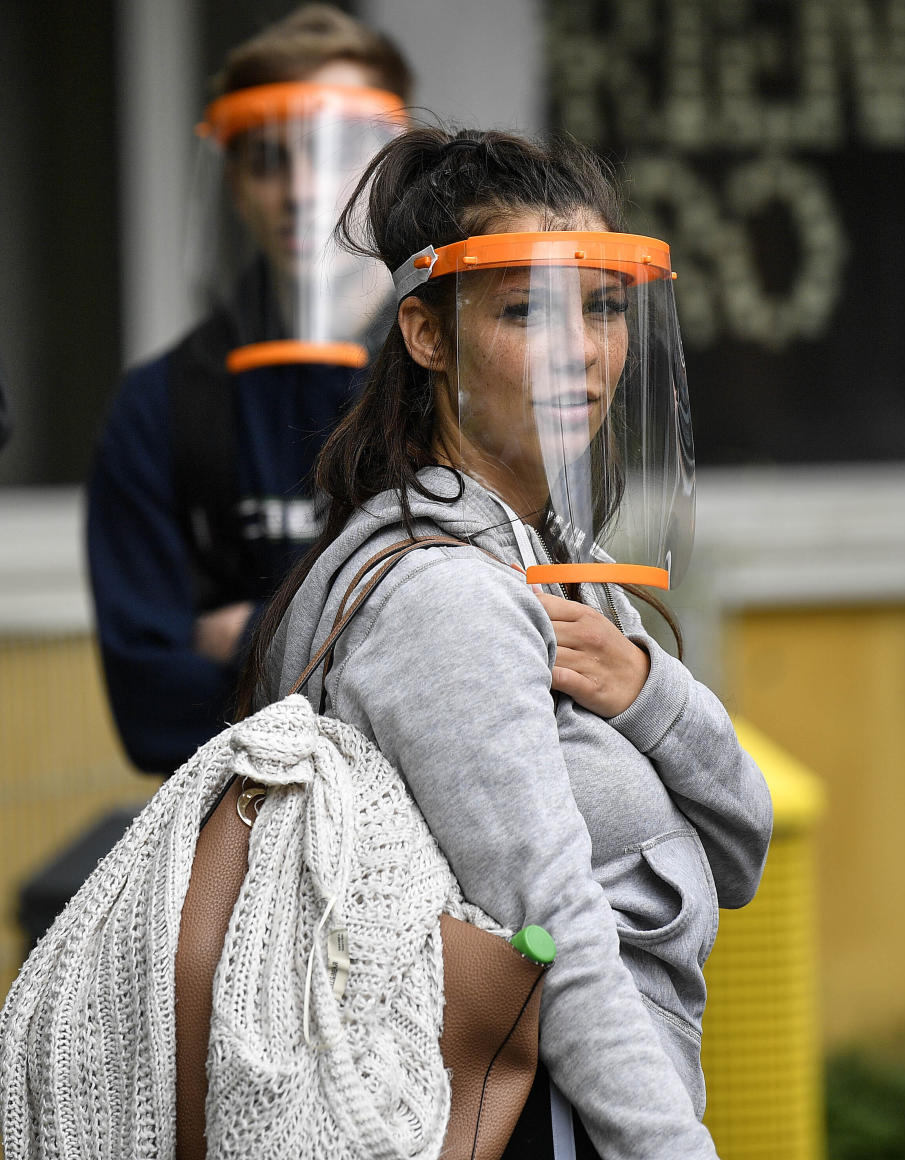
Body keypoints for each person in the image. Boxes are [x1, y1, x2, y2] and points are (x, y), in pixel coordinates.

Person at [237, 126, 773, 1158]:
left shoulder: (549, 560)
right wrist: (672, 1147)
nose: (583, 347)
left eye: (603, 306)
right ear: (427, 335)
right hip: (532, 1123)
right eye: (528, 308)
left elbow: (742, 845)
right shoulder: (447, 597)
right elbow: (556, 932)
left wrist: (650, 691)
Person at [86, 5, 411, 773]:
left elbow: (502, 651)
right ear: (233, 182)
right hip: (230, 833)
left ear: (392, 165)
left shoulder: (457, 374)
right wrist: (377, 645)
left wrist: (242, 635)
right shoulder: (160, 407)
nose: (302, 190)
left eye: (335, 153)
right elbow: (150, 715)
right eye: (269, 159)